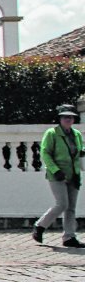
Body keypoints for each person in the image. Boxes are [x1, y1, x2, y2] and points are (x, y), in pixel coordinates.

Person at [33, 104, 84, 248]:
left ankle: (69, 237)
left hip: (73, 174)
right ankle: (40, 226)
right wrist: (55, 170)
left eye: (71, 117)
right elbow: (45, 153)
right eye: (65, 117)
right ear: (60, 118)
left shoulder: (76, 134)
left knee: (71, 208)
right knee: (62, 204)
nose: (68, 119)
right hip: (57, 174)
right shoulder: (52, 133)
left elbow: (79, 152)